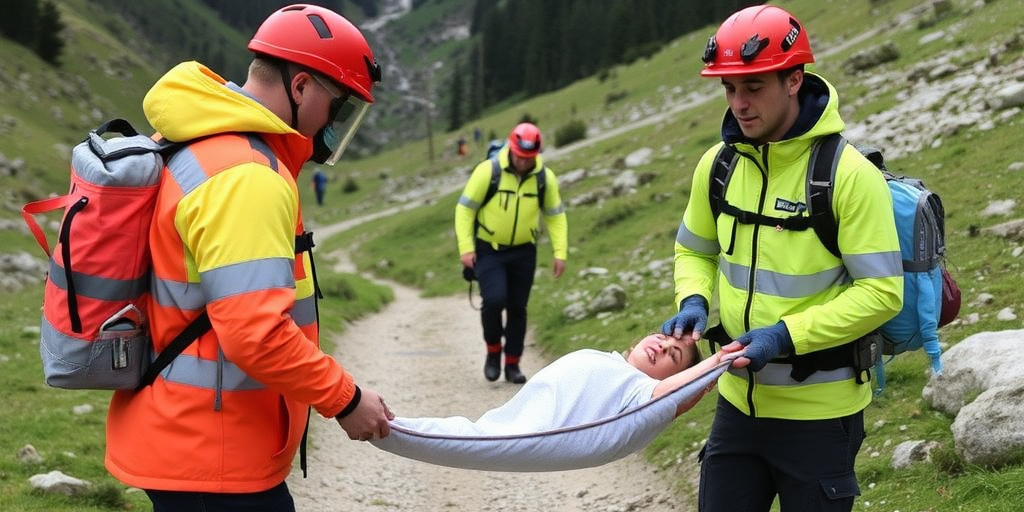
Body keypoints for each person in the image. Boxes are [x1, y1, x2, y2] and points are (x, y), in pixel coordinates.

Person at [103, 5, 393, 511]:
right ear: (301, 87)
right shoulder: (247, 176)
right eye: (338, 107)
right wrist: (345, 399)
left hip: (182, 434)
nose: (334, 126)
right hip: (213, 453)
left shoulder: (196, 141)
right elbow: (254, 333)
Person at [660, 5, 903, 512]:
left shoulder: (849, 174)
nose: (739, 104)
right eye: (729, 89)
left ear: (794, 80)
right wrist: (694, 299)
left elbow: (882, 294)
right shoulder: (719, 164)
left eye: (753, 87)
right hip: (737, 406)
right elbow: (693, 249)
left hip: (820, 414)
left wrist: (784, 336)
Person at [454, 122, 568, 384]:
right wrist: (466, 248)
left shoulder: (544, 178)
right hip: (489, 249)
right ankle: (493, 351)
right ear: (511, 148)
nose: (523, 162)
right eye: (519, 155)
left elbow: (555, 216)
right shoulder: (488, 171)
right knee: (494, 301)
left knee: (518, 307)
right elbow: (465, 209)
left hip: (524, 252)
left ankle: (513, 364)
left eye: (529, 158)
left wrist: (559, 252)